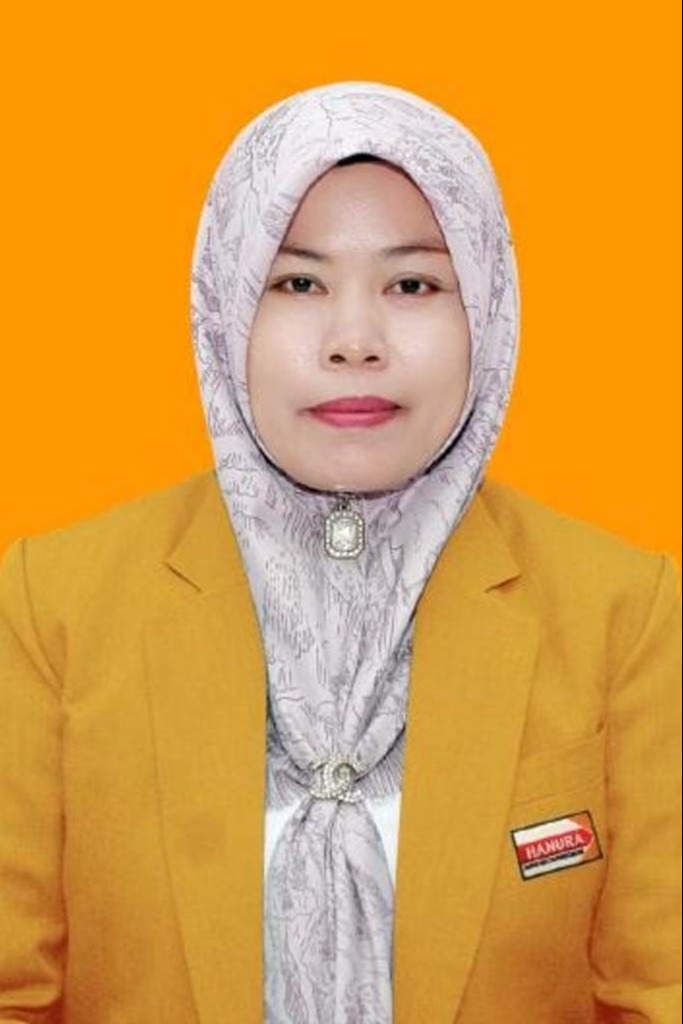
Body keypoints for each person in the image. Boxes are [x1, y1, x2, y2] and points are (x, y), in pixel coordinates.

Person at [0, 80, 680, 1024]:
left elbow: (658, 990)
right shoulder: (51, 605)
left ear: (486, 309)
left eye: (412, 284)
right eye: (297, 283)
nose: (354, 341)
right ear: (224, 311)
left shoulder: (625, 612)